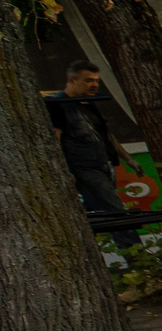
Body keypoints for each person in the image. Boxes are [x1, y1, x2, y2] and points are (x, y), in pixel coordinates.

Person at [47, 61, 139, 244]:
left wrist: (129, 159)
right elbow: (55, 140)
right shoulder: (57, 104)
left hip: (104, 166)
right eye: (89, 80)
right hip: (84, 169)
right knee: (117, 213)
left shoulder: (87, 103)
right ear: (71, 80)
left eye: (96, 81)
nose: (94, 85)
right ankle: (139, 260)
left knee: (91, 214)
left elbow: (106, 135)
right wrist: (63, 172)